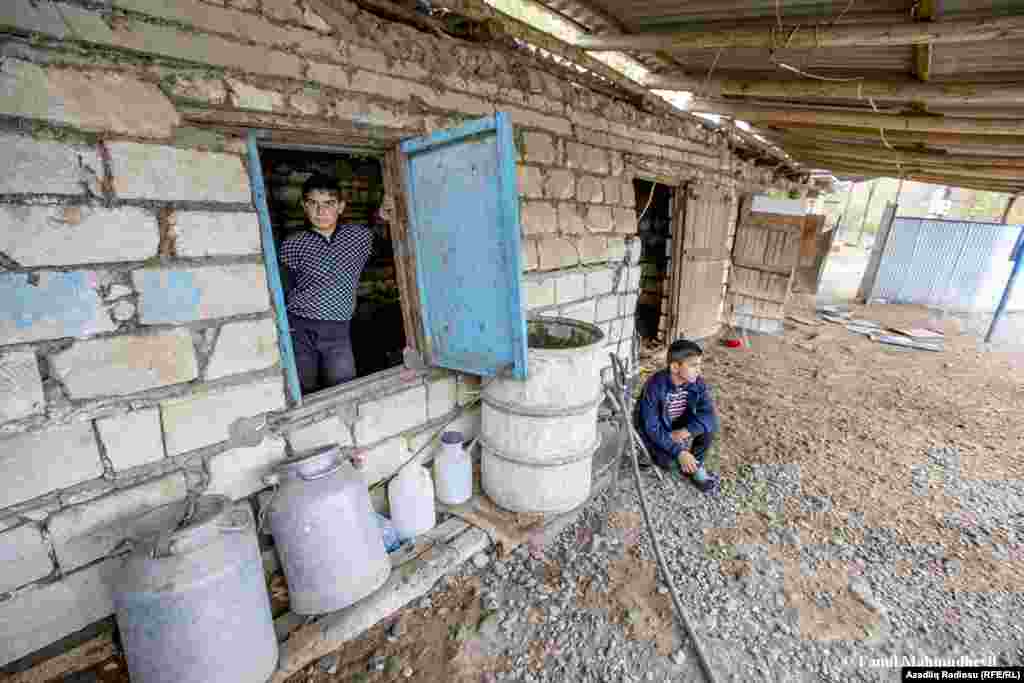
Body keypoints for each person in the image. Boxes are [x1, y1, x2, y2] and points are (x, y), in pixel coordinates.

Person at [279, 173, 393, 394]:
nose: (321, 212)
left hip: (338, 331)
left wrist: (383, 212)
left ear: (340, 206)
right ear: (304, 205)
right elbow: (284, 286)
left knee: (344, 386)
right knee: (303, 388)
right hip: (299, 329)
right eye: (313, 204)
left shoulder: (358, 237)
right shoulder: (293, 245)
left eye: (329, 204)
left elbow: (382, 237)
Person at [635, 339, 720, 494]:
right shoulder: (655, 386)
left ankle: (694, 465)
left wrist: (685, 432)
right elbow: (651, 427)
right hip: (655, 428)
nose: (699, 370)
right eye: (693, 365)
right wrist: (678, 451)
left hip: (675, 423)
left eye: (699, 365)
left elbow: (709, 414)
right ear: (675, 367)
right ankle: (679, 462)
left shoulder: (696, 382)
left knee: (710, 427)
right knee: (670, 463)